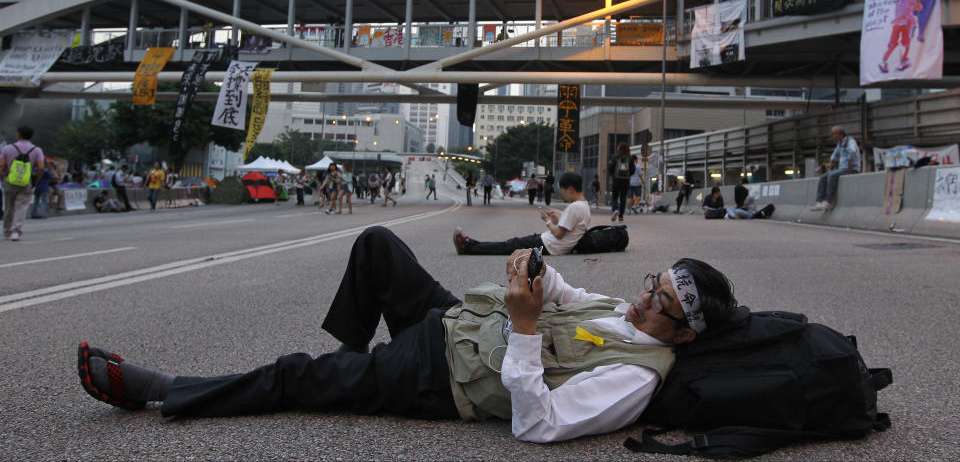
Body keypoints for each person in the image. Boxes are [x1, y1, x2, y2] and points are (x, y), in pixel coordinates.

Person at [77, 225, 738, 443]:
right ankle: (352, 367)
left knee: (291, 375)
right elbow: (567, 294)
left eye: (660, 305)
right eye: (653, 282)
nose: (643, 299)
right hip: (454, 322)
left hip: (444, 379)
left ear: (680, 337)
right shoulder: (623, 312)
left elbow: (538, 423)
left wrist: (529, 326)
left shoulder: (635, 379)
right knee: (376, 245)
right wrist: (535, 272)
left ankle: (169, 391)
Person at [453, 172, 590, 256]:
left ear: (571, 189)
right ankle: (470, 244)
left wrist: (547, 220)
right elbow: (565, 230)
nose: (563, 194)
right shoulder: (584, 206)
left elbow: (559, 235)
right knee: (511, 244)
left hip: (551, 246)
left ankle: (468, 247)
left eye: (564, 191)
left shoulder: (575, 207)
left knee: (509, 246)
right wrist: (555, 220)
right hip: (551, 244)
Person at [0, 125, 45, 241]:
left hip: (9, 180)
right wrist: (35, 181)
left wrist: (2, 178)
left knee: (9, 206)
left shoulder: (7, 148)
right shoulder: (37, 150)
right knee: (21, 207)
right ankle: (16, 231)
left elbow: (1, 165)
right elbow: (41, 168)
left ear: (19, 134)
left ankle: (7, 231)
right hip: (26, 182)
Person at [810, 126, 860, 212]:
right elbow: (835, 154)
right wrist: (831, 163)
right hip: (842, 168)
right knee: (823, 177)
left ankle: (828, 201)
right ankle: (819, 201)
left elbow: (853, 152)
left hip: (851, 168)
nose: (833, 136)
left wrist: (850, 164)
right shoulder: (840, 143)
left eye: (834, 134)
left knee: (832, 176)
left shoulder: (850, 141)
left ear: (840, 134)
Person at [879, 0, 923, 73]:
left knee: (893, 44)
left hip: (897, 23)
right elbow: (919, 8)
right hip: (907, 22)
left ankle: (884, 62)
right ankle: (903, 61)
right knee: (905, 43)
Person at [607, 142, 635, 222]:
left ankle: (615, 209)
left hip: (616, 179)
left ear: (619, 148)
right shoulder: (630, 158)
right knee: (623, 197)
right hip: (626, 180)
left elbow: (610, 168)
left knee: (615, 196)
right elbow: (633, 170)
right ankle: (621, 216)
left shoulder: (615, 157)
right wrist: (628, 175)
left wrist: (612, 175)